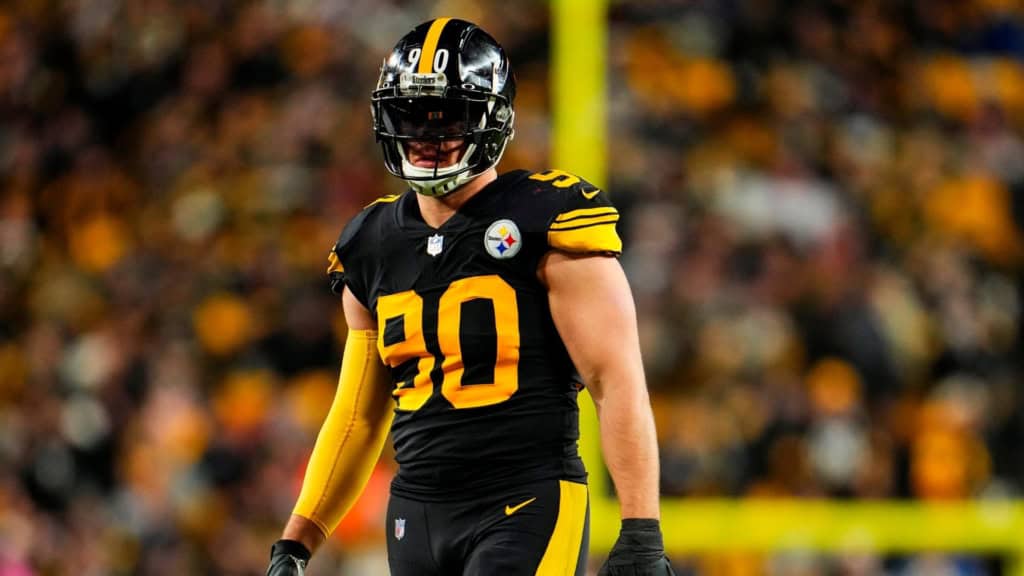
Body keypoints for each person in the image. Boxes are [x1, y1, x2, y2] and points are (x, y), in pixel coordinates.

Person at [267, 17, 674, 576]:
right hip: (415, 513)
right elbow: (358, 414)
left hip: (527, 501)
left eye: (449, 117)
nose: (429, 136)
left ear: (492, 118)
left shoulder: (546, 218)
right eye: (412, 116)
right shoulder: (370, 243)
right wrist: (297, 539)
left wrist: (641, 530)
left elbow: (615, 379)